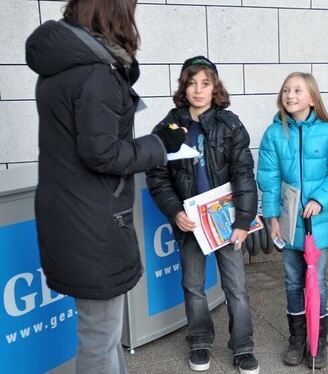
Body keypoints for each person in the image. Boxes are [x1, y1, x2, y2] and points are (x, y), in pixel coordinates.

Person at [25, 0, 186, 373]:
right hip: (92, 223)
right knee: (100, 337)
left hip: (71, 216)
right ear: (113, 14)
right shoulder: (95, 74)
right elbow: (102, 154)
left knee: (103, 333)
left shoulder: (60, 69)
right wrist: (160, 144)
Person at [145, 56, 259, 374]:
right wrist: (174, 211)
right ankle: (198, 341)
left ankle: (243, 347)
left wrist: (243, 222)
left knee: (236, 287)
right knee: (192, 284)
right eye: (191, 83)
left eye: (205, 83)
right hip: (191, 222)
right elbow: (157, 177)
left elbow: (244, 175)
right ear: (184, 87)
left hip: (225, 221)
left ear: (214, 88)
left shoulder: (230, 124)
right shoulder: (168, 127)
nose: (198, 90)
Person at [257, 72, 328, 369]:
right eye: (286, 90)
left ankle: (318, 339)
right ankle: (297, 338)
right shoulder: (274, 134)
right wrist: (271, 217)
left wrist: (319, 199)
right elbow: (269, 181)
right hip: (288, 223)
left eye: (297, 90)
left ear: (312, 97)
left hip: (317, 225)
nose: (290, 95)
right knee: (292, 280)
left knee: (316, 281)